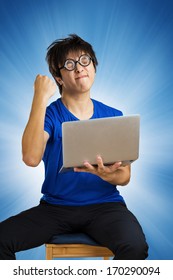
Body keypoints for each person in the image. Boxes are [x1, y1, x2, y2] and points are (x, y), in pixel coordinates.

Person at [0, 34, 148, 260]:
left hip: (105, 207)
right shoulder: (49, 114)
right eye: (70, 64)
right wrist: (39, 97)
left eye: (85, 60)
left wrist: (108, 175)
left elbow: (125, 176)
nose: (79, 68)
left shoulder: (113, 116)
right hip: (55, 209)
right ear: (58, 78)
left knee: (135, 248)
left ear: (94, 67)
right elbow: (30, 157)